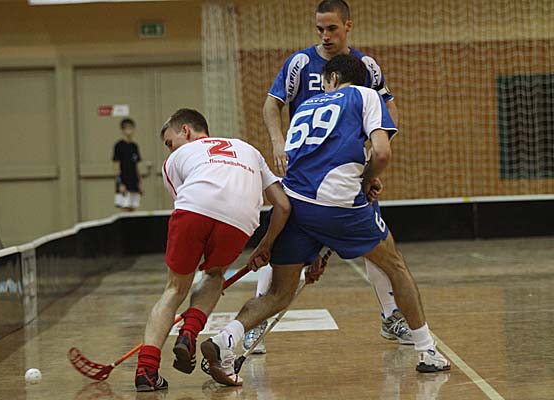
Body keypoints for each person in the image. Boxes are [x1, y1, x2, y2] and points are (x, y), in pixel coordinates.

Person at [201, 55, 450, 387]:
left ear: (332, 78)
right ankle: (426, 350)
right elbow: (382, 152)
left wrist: (315, 245)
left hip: (293, 202)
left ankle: (224, 339)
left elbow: (312, 161)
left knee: (278, 294)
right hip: (338, 205)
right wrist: (367, 179)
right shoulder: (366, 95)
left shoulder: (306, 105)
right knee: (395, 267)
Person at [244, 0, 409, 354]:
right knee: (280, 240)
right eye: (320, 29)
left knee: (375, 241)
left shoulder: (364, 66)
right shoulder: (300, 63)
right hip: (304, 172)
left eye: (332, 28)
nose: (325, 36)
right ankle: (254, 325)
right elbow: (272, 103)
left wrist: (371, 153)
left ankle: (390, 316)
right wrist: (277, 142)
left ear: (348, 26)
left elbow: (388, 106)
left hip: (345, 173)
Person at [134, 108, 291, 391]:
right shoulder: (249, 150)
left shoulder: (174, 160)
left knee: (174, 289)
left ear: (185, 131)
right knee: (214, 274)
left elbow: (190, 204)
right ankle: (189, 332)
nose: (170, 149)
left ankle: (146, 370)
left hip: (195, 207)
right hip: (241, 219)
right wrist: (265, 245)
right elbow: (283, 206)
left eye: (170, 142)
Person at [113, 118, 143, 211]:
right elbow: (116, 166)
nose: (129, 131)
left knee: (134, 208)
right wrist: (119, 183)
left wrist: (140, 183)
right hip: (124, 183)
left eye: (131, 128)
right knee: (125, 208)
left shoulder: (134, 146)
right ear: (122, 130)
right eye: (127, 128)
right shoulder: (119, 146)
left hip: (134, 183)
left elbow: (137, 166)